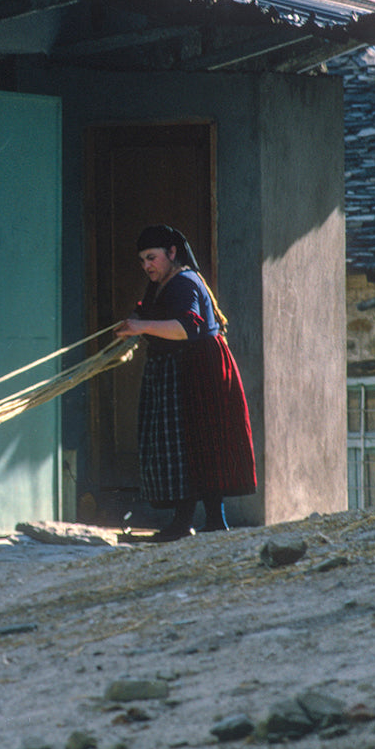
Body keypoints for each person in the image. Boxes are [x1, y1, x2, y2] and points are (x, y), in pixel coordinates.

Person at [115, 224, 256, 542]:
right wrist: (134, 324)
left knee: (196, 442)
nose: (146, 265)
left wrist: (141, 327)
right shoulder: (161, 284)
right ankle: (197, 523)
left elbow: (186, 328)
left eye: (151, 257)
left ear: (172, 253)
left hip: (200, 371)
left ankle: (199, 523)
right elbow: (151, 316)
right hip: (179, 368)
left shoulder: (184, 282)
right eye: (142, 260)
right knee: (187, 444)